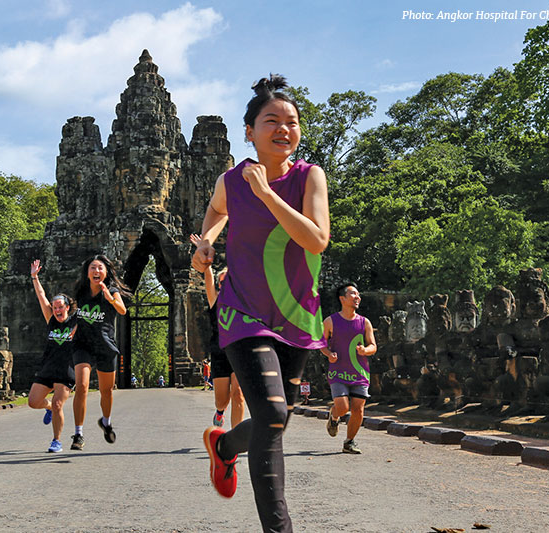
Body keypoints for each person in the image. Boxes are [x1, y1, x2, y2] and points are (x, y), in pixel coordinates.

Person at [192, 74, 330, 532]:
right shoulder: (231, 180)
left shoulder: (310, 177)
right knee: (271, 414)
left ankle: (225, 446)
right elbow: (217, 210)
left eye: (292, 122)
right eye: (272, 121)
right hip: (242, 312)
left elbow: (316, 240)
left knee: (277, 420)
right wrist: (207, 240)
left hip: (295, 314)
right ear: (249, 131)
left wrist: (266, 194)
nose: (284, 129)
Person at [69, 254, 129, 450]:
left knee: (106, 391)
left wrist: (110, 299)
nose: (96, 271)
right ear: (87, 272)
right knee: (82, 386)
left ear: (106, 272)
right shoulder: (81, 290)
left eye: (100, 268)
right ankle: (78, 434)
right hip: (83, 344)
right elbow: (77, 314)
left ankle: (106, 422)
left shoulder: (112, 290)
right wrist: (71, 329)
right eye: (93, 267)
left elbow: (122, 310)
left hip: (105, 345)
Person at [191, 233, 245, 428]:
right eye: (221, 282)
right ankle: (220, 411)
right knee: (222, 400)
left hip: (240, 350)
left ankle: (236, 436)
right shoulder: (215, 300)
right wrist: (203, 250)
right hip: (220, 352)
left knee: (238, 394)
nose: (224, 285)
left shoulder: (245, 301)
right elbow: (208, 276)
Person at [27, 259, 77, 453]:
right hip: (48, 368)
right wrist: (34, 277)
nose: (57, 310)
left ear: (67, 307)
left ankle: (56, 441)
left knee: (58, 404)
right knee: (33, 402)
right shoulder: (51, 320)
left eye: (60, 307)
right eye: (54, 307)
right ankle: (47, 408)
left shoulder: (75, 323)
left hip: (66, 371)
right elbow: (41, 296)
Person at [321, 282, 377, 454]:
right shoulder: (330, 321)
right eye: (353, 294)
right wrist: (328, 353)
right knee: (343, 407)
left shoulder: (364, 322)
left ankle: (349, 442)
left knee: (358, 409)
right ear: (342, 299)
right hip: (338, 372)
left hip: (359, 372)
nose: (357, 297)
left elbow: (373, 346)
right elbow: (321, 343)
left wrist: (365, 350)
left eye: (358, 294)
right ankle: (334, 416)